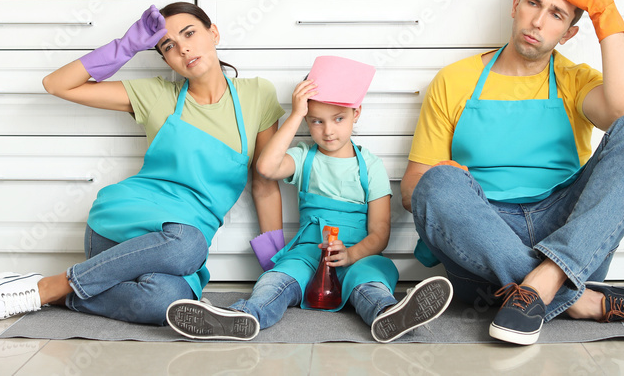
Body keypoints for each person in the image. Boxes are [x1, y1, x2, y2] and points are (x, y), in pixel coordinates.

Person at [400, 0, 624, 346]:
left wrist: (603, 10)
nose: (537, 21)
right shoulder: (455, 80)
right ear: (516, 5)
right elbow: (412, 191)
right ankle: (583, 301)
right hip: (485, 240)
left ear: (569, 32)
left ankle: (545, 281)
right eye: (533, 3)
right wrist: (445, 178)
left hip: (568, 230)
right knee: (437, 183)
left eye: (556, 14)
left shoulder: (573, 80)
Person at [0, 2, 286, 325]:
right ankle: (48, 286)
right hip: (122, 227)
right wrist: (127, 46)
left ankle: (65, 293)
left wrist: (276, 262)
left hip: (176, 242)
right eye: (169, 45)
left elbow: (264, 183)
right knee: (188, 245)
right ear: (165, 58)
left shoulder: (257, 95)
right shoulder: (155, 95)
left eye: (189, 33)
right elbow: (57, 84)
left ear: (214, 33)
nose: (183, 48)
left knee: (166, 302)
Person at [166, 56, 453, 343]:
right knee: (276, 281)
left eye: (338, 119)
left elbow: (380, 233)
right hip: (307, 252)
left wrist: (351, 255)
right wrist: (293, 115)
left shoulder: (371, 165)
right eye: (316, 121)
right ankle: (245, 315)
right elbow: (266, 168)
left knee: (369, 281)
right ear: (306, 120)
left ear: (357, 113)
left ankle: (388, 314)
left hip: (357, 253)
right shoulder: (303, 156)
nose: (328, 131)